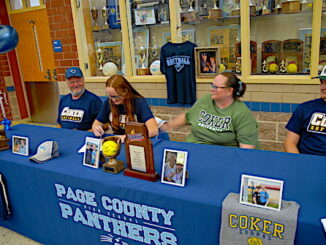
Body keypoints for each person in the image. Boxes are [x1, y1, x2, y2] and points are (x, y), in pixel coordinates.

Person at [165, 72, 259, 148]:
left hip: (220, 154)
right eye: (212, 85)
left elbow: (247, 146)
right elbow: (187, 117)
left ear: (229, 91)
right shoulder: (206, 99)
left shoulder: (241, 113)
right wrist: (167, 126)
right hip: (194, 147)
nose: (212, 90)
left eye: (216, 87)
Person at [92, 74, 158, 141]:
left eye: (116, 96)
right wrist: (96, 129)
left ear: (125, 91)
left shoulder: (139, 102)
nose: (113, 100)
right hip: (118, 141)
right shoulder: (109, 102)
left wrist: (127, 138)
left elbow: (153, 130)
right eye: (110, 96)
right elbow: (96, 123)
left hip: (136, 142)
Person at [284, 66, 326, 156]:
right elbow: (290, 142)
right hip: (307, 161)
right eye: (321, 82)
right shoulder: (305, 108)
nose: (322, 87)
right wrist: (299, 163)